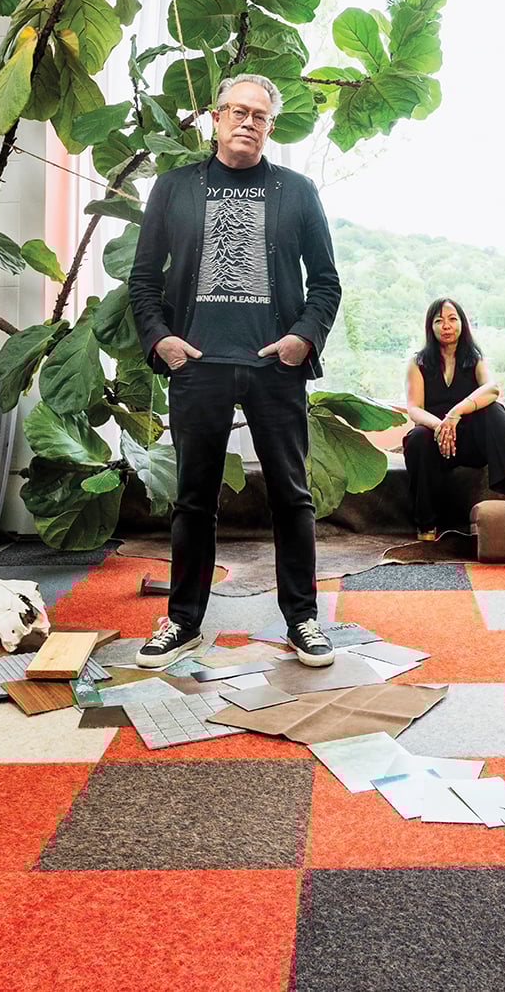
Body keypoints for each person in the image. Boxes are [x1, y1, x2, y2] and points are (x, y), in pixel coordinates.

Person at [128, 74, 342, 667]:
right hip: (199, 365)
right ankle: (182, 621)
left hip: (274, 366)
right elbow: (143, 280)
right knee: (193, 500)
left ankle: (302, 619)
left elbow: (326, 282)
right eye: (238, 112)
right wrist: (163, 341)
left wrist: (302, 339)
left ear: (270, 127)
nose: (248, 122)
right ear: (216, 118)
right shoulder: (174, 188)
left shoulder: (296, 191)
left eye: (260, 116)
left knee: (292, 497)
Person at [404, 297, 505, 540]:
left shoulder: (474, 358)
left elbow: (492, 389)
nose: (446, 326)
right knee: (417, 436)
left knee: (494, 409)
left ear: (462, 323)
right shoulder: (418, 363)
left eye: (452, 319)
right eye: (439, 321)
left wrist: (455, 413)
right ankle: (426, 523)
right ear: (430, 326)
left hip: (471, 443)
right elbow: (414, 409)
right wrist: (440, 426)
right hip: (436, 442)